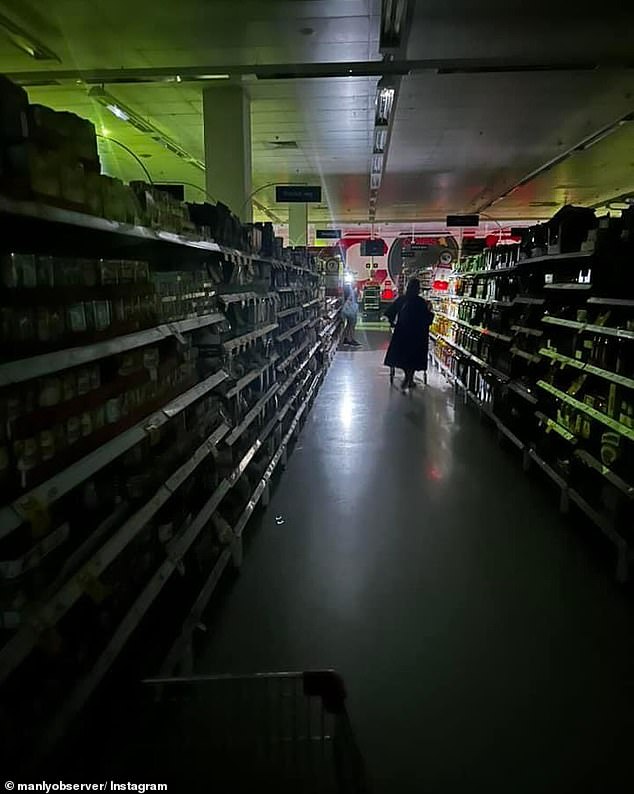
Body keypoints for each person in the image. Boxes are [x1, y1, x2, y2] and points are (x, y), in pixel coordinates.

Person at [383, 278, 434, 390]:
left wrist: (392, 323)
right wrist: (431, 312)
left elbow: (389, 312)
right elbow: (427, 319)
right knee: (414, 357)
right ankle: (410, 378)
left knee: (403, 356)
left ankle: (407, 377)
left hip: (402, 332)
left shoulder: (402, 299)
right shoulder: (421, 302)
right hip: (417, 335)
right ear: (418, 289)